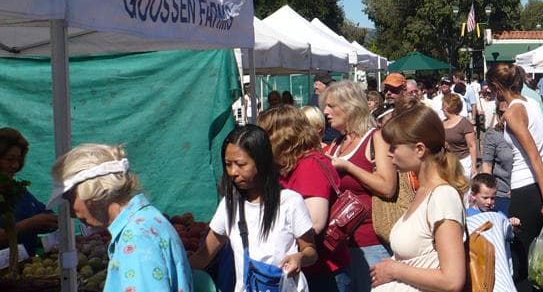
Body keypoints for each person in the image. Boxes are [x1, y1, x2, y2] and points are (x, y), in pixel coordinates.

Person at [50, 143, 192, 292]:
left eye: (70, 199)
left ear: (91, 190)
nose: (71, 213)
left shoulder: (137, 239)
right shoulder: (146, 219)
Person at [190, 125, 316, 292]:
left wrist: (299, 257)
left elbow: (311, 251)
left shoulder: (290, 202)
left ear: (261, 162)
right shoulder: (229, 205)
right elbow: (203, 256)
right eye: (228, 164)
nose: (233, 172)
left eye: (241, 164)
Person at [370, 104, 467, 292]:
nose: (389, 153)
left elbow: (452, 280)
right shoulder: (423, 192)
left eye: (394, 147)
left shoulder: (442, 196)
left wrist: (394, 270)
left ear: (419, 149)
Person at [486, 63, 543, 292]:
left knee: (530, 266)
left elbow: (535, 156)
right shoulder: (532, 103)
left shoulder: (513, 112)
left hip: (532, 189)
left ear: (497, 87)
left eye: (490, 88)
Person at [259, 106, 353, 291]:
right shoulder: (291, 165)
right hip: (307, 270)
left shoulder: (309, 165)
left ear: (278, 136)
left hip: (324, 273)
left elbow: (315, 222)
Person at [321, 80, 399, 292]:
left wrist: (348, 167)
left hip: (370, 242)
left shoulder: (376, 138)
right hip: (340, 245)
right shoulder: (335, 144)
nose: (326, 111)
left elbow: (387, 186)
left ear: (349, 106)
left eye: (331, 106)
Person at [0, 128, 56, 255]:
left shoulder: (17, 189)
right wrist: (31, 224)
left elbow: (41, 211)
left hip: (25, 268)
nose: (15, 165)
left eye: (18, 160)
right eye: (9, 159)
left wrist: (50, 221)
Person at [466, 173, 518, 292]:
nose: (489, 202)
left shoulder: (499, 216)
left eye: (493, 197)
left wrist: (513, 226)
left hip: (499, 268)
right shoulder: (467, 216)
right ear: (473, 195)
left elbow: (508, 236)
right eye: (485, 198)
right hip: (478, 268)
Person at [480, 101, 514, 216]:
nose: (505, 115)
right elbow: (487, 165)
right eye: (501, 112)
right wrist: (489, 194)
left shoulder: (526, 132)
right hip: (501, 195)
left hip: (523, 190)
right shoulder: (493, 134)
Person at [441, 93, 478, 178]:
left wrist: (474, 166)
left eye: (443, 105)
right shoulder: (442, 123)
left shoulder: (464, 123)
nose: (442, 108)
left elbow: (472, 146)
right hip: (448, 163)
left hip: (464, 163)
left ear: (447, 106)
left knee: (464, 189)